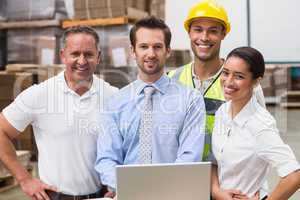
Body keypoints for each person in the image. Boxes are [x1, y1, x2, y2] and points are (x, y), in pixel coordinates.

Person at [0, 25, 118, 200]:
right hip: (55, 197)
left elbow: (125, 147)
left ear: (99, 57)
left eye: (89, 54)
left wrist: (118, 183)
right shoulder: (40, 94)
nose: (82, 60)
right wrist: (24, 179)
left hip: (101, 196)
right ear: (63, 55)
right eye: (75, 54)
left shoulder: (113, 96)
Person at [95, 16, 206, 198]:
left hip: (173, 196)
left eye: (157, 47)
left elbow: (189, 156)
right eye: (144, 46)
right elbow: (107, 157)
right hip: (128, 195)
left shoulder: (190, 100)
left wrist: (160, 192)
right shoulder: (116, 103)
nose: (151, 54)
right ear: (132, 51)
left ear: (168, 51)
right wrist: (125, 188)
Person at [168, 0, 265, 161]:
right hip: (183, 174)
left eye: (213, 31)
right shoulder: (172, 79)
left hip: (227, 178)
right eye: (198, 30)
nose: (204, 37)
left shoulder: (245, 85)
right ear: (189, 33)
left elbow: (259, 139)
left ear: (223, 34)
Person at [211, 46, 300, 200]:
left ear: (256, 81)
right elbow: (217, 161)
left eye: (238, 76)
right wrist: (217, 192)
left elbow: (294, 175)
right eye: (225, 73)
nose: (228, 81)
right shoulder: (222, 111)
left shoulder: (260, 125)